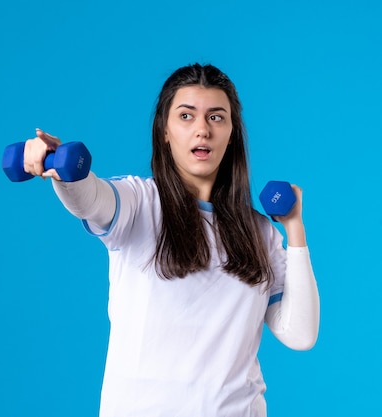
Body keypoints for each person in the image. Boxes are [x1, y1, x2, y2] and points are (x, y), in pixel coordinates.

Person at [21, 63, 320, 417]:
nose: (202, 130)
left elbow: (299, 334)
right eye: (186, 116)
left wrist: (294, 230)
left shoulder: (258, 233)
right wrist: (65, 173)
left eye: (216, 118)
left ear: (232, 133)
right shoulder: (139, 203)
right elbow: (91, 199)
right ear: (165, 131)